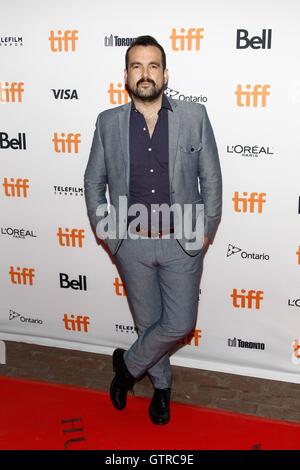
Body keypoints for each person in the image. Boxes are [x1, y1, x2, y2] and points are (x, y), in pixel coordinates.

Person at [84, 35, 222, 425]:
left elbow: (211, 179)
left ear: (165, 73)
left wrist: (205, 229)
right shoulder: (108, 122)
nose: (145, 74)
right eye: (137, 66)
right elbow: (94, 182)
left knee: (179, 324)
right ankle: (161, 388)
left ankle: (127, 367)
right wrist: (110, 235)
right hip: (131, 244)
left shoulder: (194, 117)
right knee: (149, 323)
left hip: (182, 242)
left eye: (153, 66)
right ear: (126, 75)